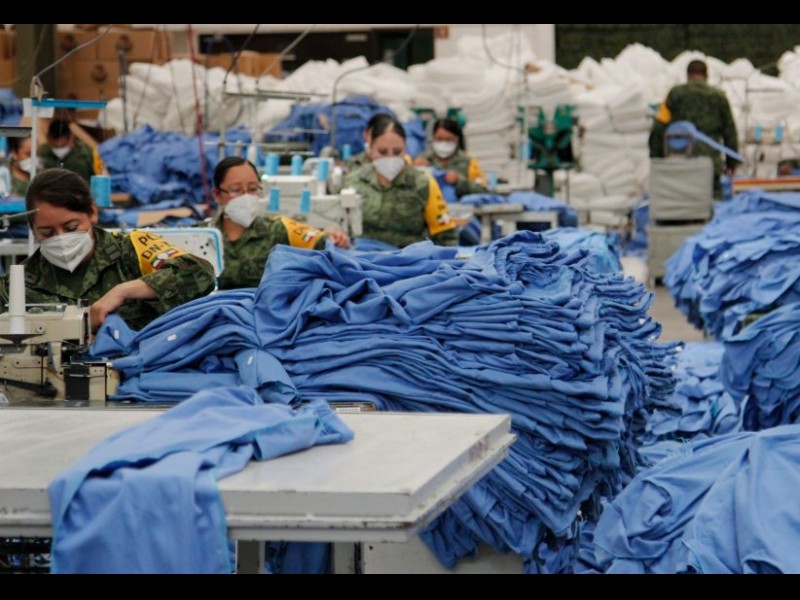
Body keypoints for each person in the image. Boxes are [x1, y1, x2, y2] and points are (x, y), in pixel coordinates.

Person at [0, 169, 216, 331]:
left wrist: (123, 291)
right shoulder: (18, 286)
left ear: (92, 213)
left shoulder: (133, 249)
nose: (61, 238)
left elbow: (200, 273)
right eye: (47, 232)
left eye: (71, 227)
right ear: (32, 230)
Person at [211, 156, 350, 290]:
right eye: (236, 190)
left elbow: (324, 243)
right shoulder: (203, 237)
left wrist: (334, 236)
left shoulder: (280, 229)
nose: (246, 197)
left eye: (253, 189)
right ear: (217, 194)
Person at [342, 116, 458, 248]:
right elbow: (334, 228)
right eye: (382, 151)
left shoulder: (422, 184)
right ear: (371, 148)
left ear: (405, 148)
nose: (390, 157)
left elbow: (446, 236)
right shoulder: (353, 182)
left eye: (397, 152)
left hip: (407, 258)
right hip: (362, 257)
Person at [649, 59, 740, 199]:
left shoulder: (675, 94)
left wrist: (657, 158)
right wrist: (731, 163)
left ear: (687, 75)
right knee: (713, 204)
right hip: (710, 163)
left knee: (682, 203)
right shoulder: (719, 97)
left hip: (681, 162)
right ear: (706, 76)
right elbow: (730, 132)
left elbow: (659, 127)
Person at [413, 118, 488, 200]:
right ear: (433, 138)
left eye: (448, 140)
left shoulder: (468, 162)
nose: (443, 144)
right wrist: (413, 169)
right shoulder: (423, 158)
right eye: (439, 139)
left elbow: (482, 189)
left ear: (457, 139)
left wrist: (458, 180)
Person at [39, 119, 97, 183]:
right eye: (56, 147)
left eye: (62, 146)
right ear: (48, 139)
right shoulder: (43, 153)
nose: (59, 150)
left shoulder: (85, 155)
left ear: (71, 138)